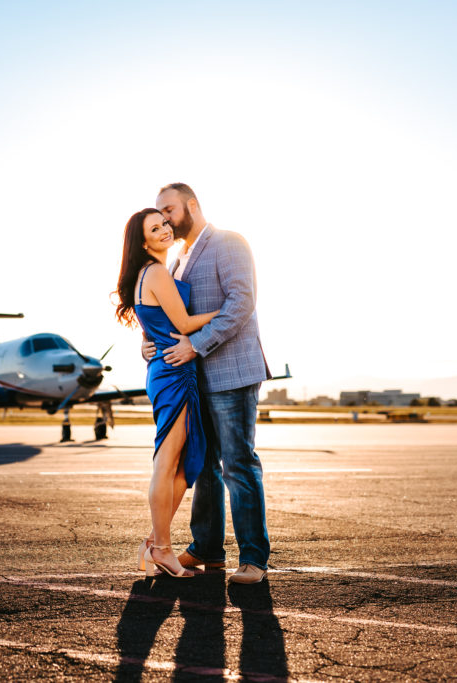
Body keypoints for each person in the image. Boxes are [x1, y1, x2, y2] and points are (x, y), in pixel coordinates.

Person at [143, 183, 272, 584]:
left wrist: (195, 346)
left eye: (169, 210)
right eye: (159, 214)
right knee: (205, 469)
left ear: (192, 205)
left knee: (238, 463)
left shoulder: (229, 243)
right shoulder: (178, 260)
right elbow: (173, 316)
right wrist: (151, 345)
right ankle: (207, 549)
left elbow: (241, 303)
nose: (164, 219)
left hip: (231, 374)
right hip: (194, 381)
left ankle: (253, 558)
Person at [115, 208, 219, 579]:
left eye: (164, 223)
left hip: (171, 369)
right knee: (167, 462)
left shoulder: (154, 271)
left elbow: (154, 327)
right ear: (142, 242)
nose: (163, 230)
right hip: (174, 374)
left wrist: (147, 344)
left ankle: (153, 542)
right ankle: (162, 548)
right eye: (154, 228)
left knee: (183, 465)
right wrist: (225, 310)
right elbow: (185, 324)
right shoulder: (156, 272)